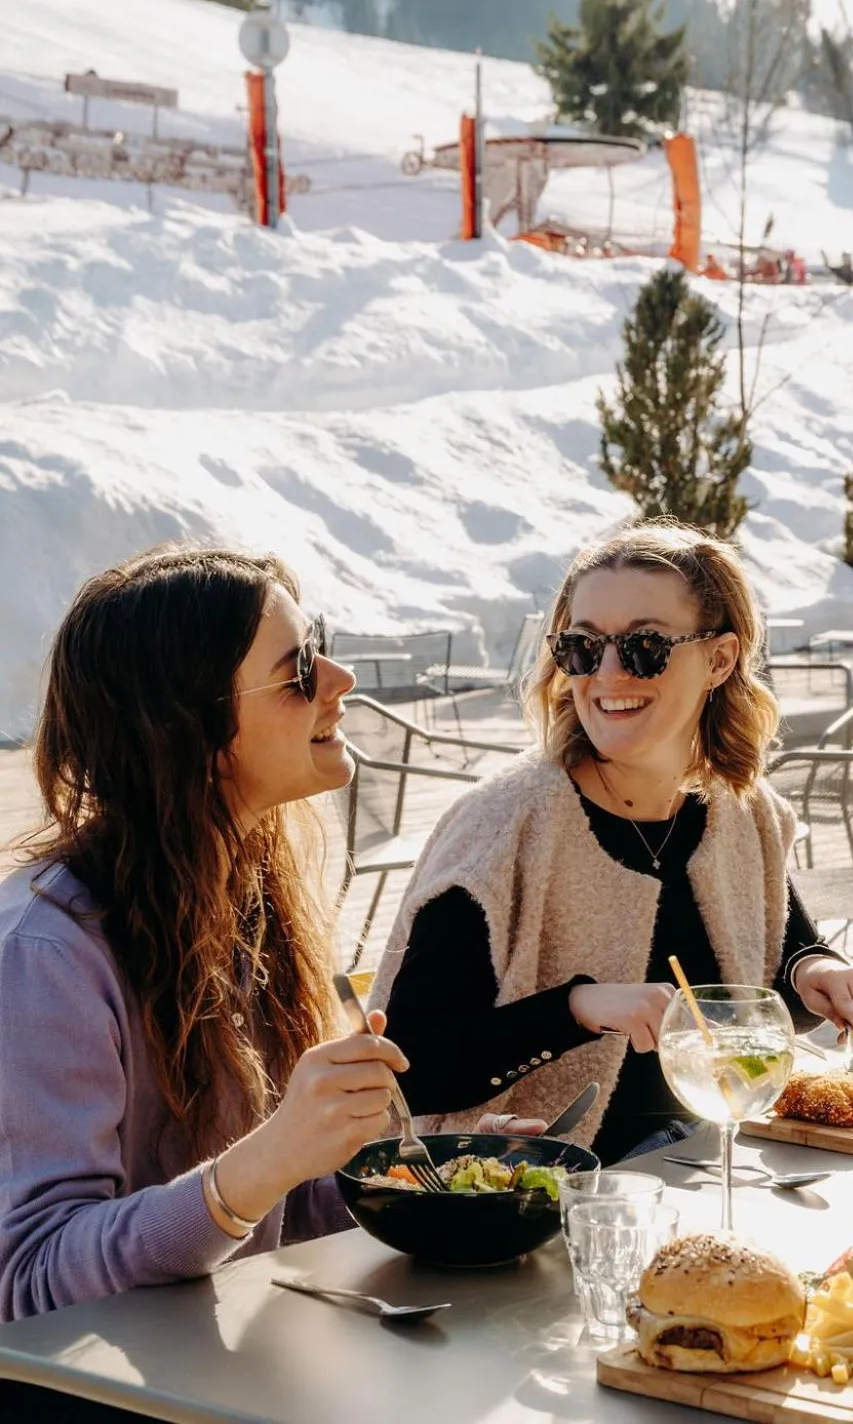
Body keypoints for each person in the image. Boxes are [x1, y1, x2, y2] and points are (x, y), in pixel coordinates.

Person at [0, 547, 537, 1330]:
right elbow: (31, 1279)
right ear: (193, 728)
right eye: (300, 669)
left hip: (237, 1363)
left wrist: (431, 1167)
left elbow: (283, 1205)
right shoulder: (46, 954)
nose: (341, 681)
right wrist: (266, 1159)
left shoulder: (245, 893)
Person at [374, 521, 853, 1165]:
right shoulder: (502, 828)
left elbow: (769, 978)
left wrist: (815, 968)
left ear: (720, 660)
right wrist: (576, 1009)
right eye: (582, 647)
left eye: (644, 646)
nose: (608, 674)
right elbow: (408, 1072)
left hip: (706, 1165)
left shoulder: (742, 812)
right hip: (521, 1200)